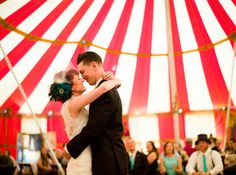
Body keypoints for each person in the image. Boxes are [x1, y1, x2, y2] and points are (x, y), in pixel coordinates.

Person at [65, 51, 128, 175]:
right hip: (104, 158)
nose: (82, 77)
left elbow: (94, 128)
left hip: (109, 159)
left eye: (82, 72)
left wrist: (69, 148)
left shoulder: (105, 89)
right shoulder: (104, 88)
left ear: (94, 65)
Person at [49, 68, 121, 175]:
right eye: (78, 78)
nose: (82, 80)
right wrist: (116, 81)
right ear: (72, 87)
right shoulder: (73, 103)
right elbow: (103, 88)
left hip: (83, 155)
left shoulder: (72, 105)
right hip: (83, 161)